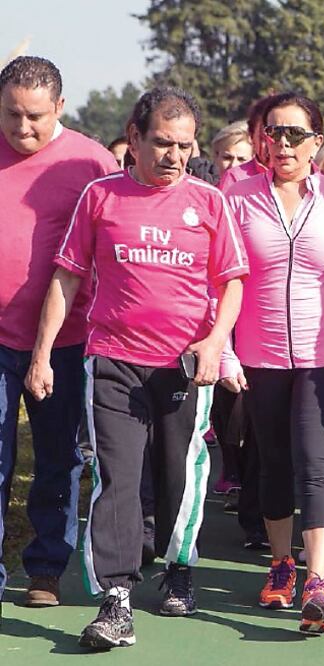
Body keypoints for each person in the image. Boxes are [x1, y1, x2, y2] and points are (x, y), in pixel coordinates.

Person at [24, 85, 247, 649]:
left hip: (184, 366)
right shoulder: (101, 197)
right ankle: (116, 598)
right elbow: (67, 276)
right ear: (135, 138)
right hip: (113, 360)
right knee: (115, 478)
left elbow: (232, 283)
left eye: (185, 146)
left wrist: (216, 344)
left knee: (179, 474)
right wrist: (44, 352)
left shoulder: (210, 201)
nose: (175, 157)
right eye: (163, 144)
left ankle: (178, 565)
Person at [221, 93, 324, 634]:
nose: (282, 143)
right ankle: (281, 563)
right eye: (273, 133)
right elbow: (221, 278)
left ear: (317, 141)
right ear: (261, 138)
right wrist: (222, 350)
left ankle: (318, 581)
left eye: (294, 134)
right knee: (271, 461)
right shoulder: (236, 195)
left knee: (315, 460)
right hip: (258, 354)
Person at [0, 55, 118, 613]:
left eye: (35, 118)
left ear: (61, 109)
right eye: (11, 115)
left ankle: (46, 567)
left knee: (57, 459)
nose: (22, 129)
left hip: (67, 341)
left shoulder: (92, 162)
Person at [217, 94, 278, 191]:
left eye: (277, 137)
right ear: (252, 136)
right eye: (264, 139)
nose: (271, 146)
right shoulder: (235, 180)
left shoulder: (306, 177)